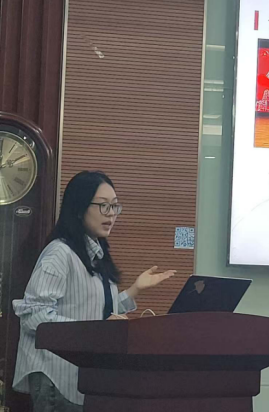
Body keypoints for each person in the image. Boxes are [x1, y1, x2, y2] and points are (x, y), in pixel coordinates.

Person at [12, 171, 176, 412]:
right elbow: (34, 316)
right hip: (57, 377)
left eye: (115, 206)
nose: (111, 214)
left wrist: (135, 290)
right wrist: (94, 331)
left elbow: (96, 312)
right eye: (103, 206)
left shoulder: (96, 254)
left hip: (83, 379)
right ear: (79, 208)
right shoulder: (59, 253)